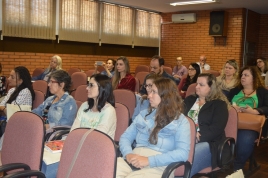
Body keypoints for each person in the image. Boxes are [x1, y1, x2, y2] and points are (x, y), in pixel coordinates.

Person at [117, 78, 190, 178]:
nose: (149, 96)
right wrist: (128, 154)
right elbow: (125, 137)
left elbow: (182, 153)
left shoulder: (181, 121)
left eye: (154, 92)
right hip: (133, 159)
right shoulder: (143, 114)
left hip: (158, 166)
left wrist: (149, 160)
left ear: (166, 96)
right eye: (150, 91)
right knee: (105, 172)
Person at [183, 73, 231, 177]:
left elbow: (216, 129)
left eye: (201, 85)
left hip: (210, 144)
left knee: (185, 165)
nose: (197, 87)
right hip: (185, 139)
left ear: (211, 87)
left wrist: (197, 136)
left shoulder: (219, 105)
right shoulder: (189, 100)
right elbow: (179, 119)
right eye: (197, 84)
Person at [228, 66, 268, 171]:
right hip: (231, 122)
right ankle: (223, 162)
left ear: (254, 78)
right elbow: (223, 103)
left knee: (245, 140)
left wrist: (255, 111)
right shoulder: (234, 90)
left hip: (250, 125)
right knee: (218, 135)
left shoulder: (262, 92)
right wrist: (231, 108)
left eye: (246, 75)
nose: (242, 77)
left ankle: (237, 167)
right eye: (241, 75)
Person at [71, 74, 116, 139]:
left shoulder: (109, 110)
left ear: (102, 88)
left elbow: (98, 137)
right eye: (88, 85)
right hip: (80, 143)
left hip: (98, 147)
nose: (87, 88)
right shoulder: (84, 105)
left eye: (91, 85)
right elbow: (74, 130)